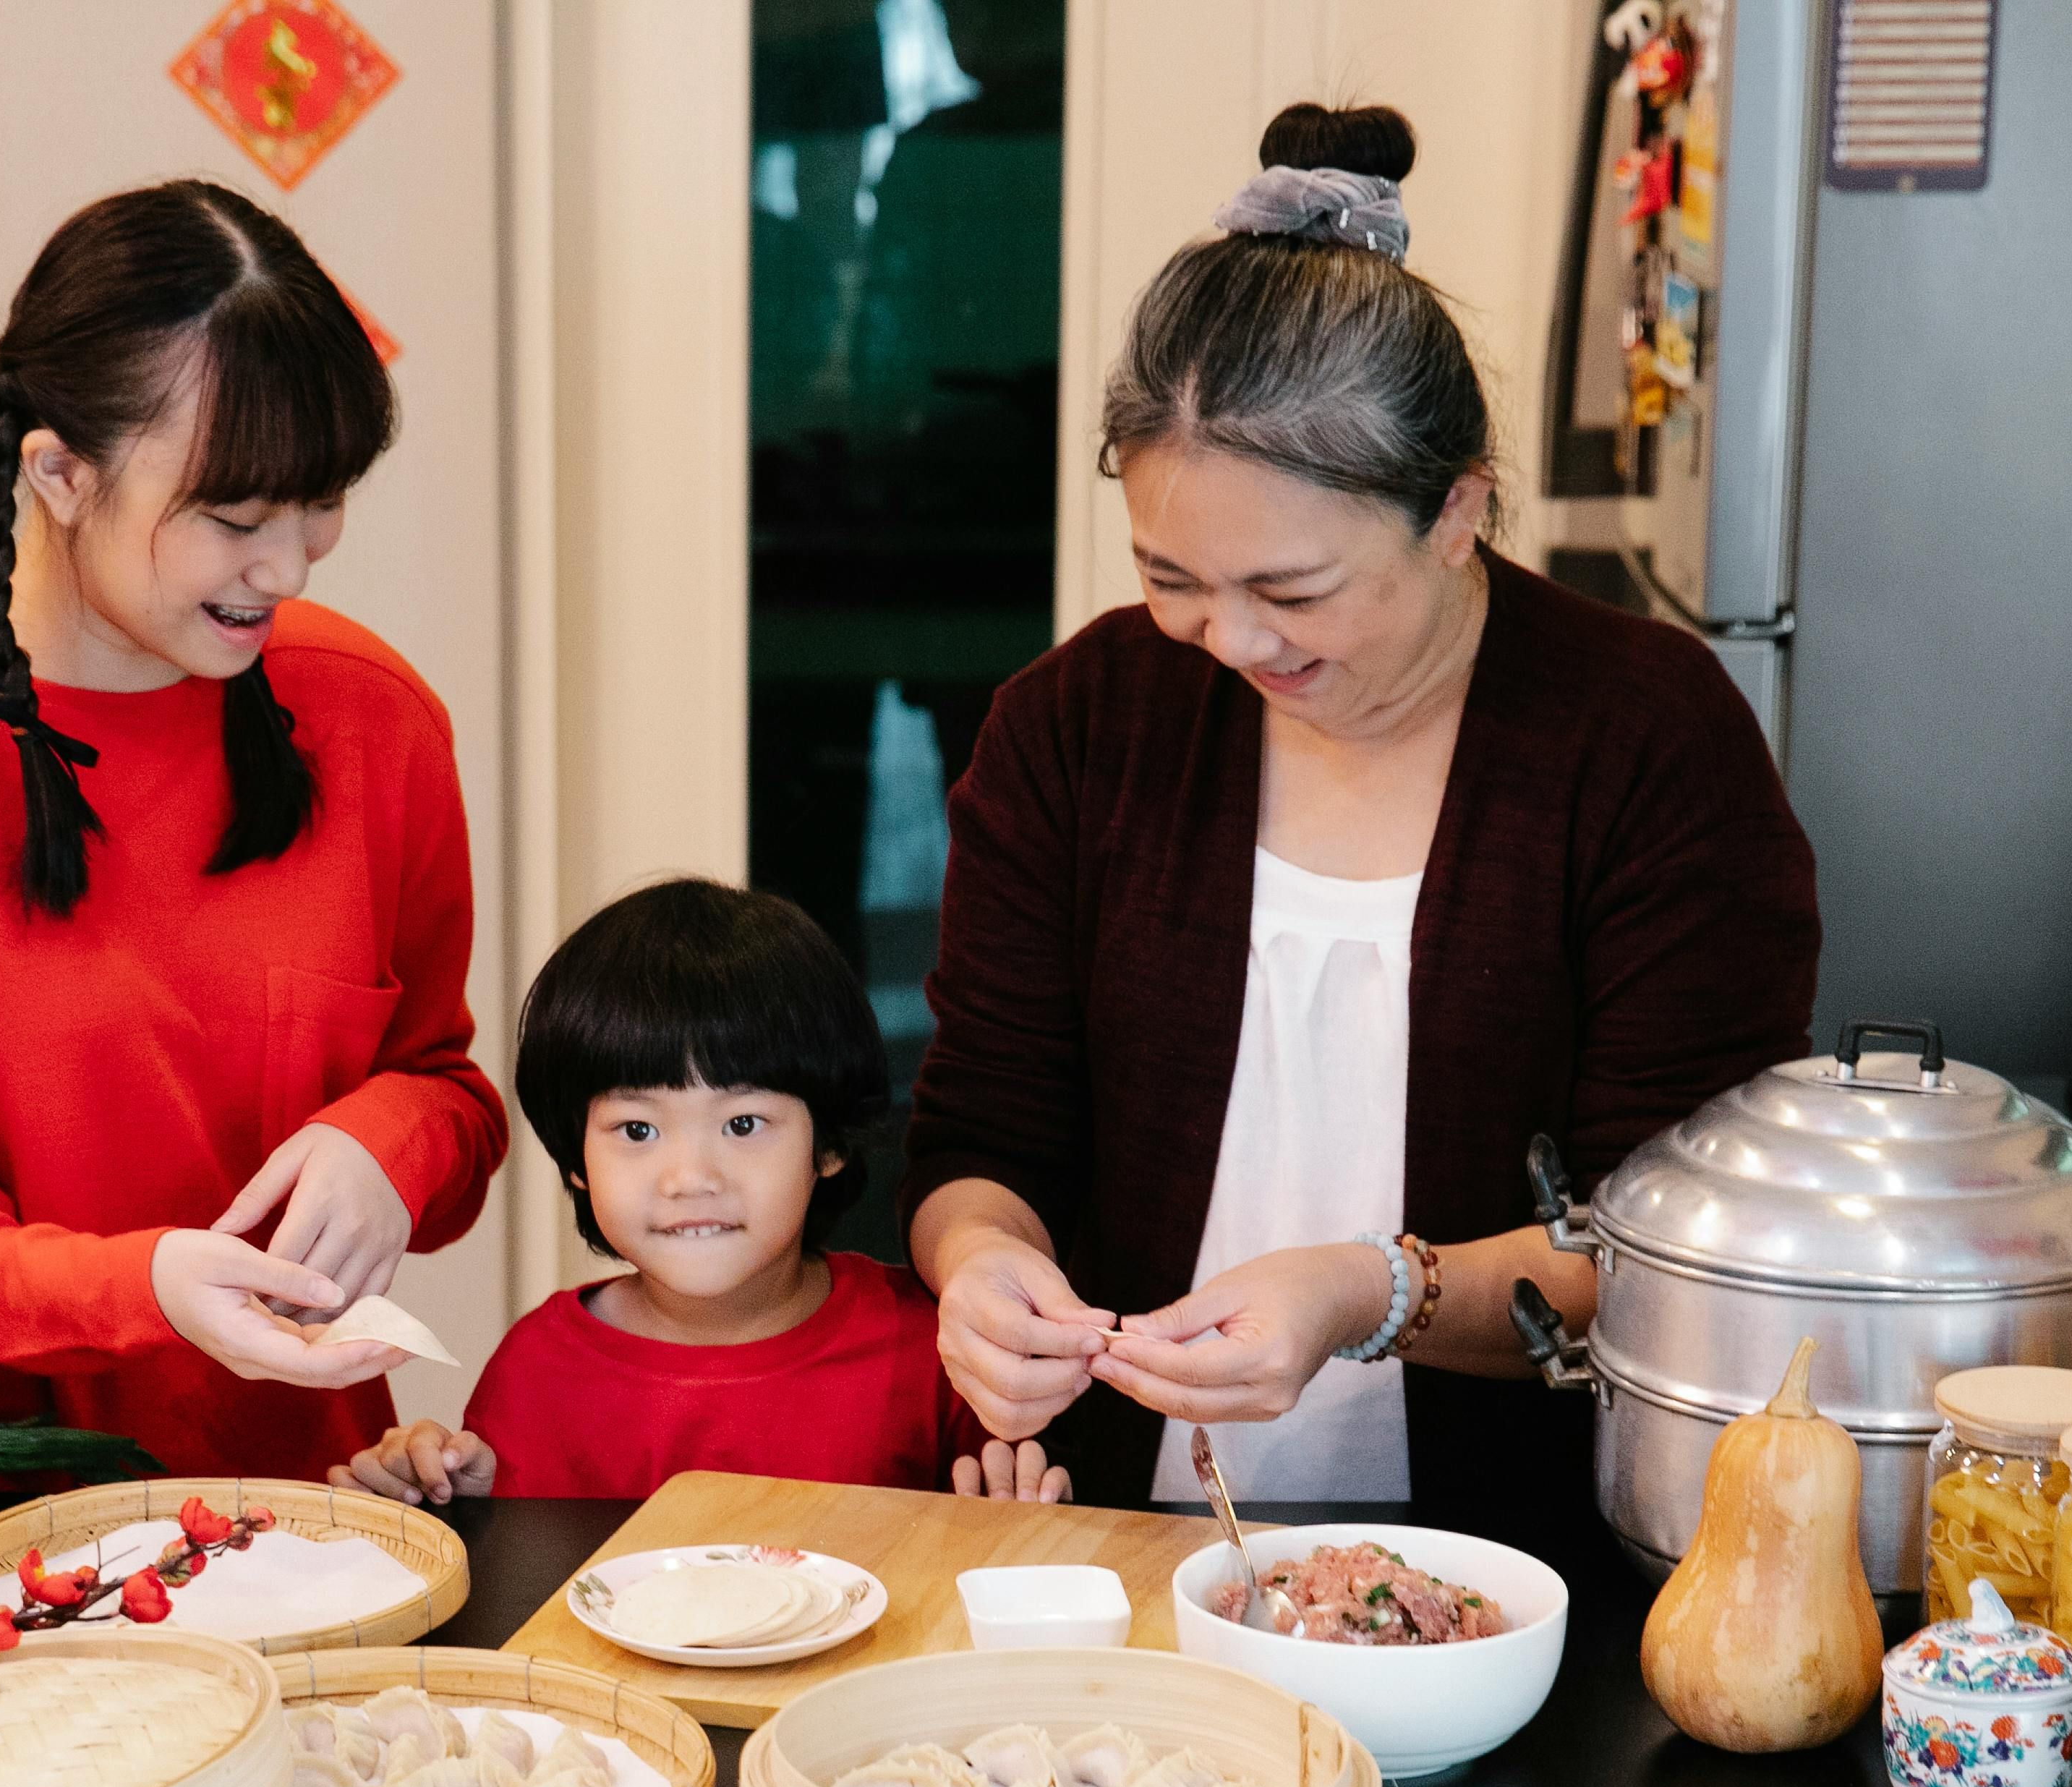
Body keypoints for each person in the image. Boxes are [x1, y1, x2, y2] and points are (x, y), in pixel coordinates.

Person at [902, 103, 1821, 1516]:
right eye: (1171, 577)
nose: (1226, 642)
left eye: (1292, 591)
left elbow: (1682, 1251)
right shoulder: (1081, 722)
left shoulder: (1646, 739)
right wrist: (981, 1264)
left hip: (1521, 1567)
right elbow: (986, 1134)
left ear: (1458, 511)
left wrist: (1374, 1293)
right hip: (1123, 1540)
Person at [0, 182, 504, 1480]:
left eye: (323, 503)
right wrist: (141, 1288)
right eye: (236, 521)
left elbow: (446, 1088)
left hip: (318, 1510)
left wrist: (388, 1146)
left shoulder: (371, 717)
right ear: (59, 473)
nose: (295, 567)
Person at [337, 879, 1064, 1506]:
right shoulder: (537, 1373)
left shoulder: (930, 1345)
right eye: (637, 1130)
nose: (690, 1178)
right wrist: (440, 1499)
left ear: (832, 1143)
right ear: (576, 1161)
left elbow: (992, 1551)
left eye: (743, 1123)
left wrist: (1013, 1528)